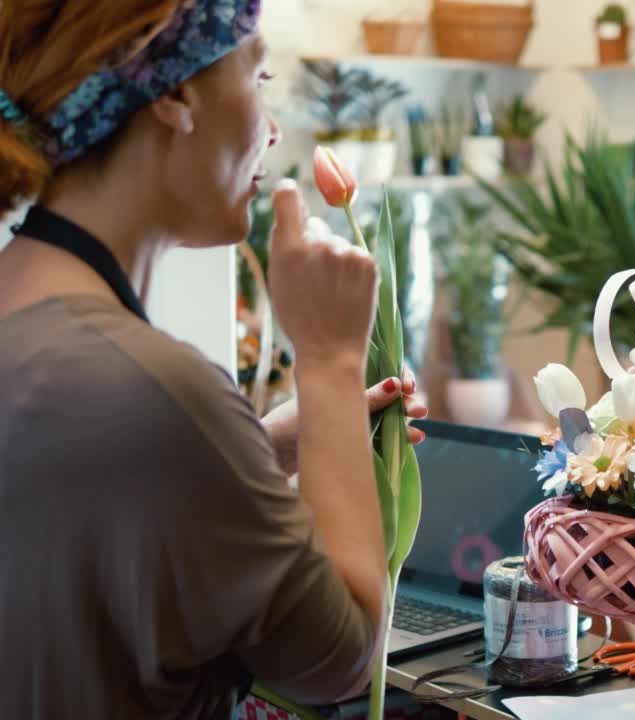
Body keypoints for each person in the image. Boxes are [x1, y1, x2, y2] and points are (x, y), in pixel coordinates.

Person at [0, 1, 427, 717]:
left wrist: (264, 446)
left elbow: (73, 490)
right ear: (175, 94)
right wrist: (326, 360)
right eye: (258, 77)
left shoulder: (40, 330)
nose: (273, 127)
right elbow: (341, 659)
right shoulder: (154, 389)